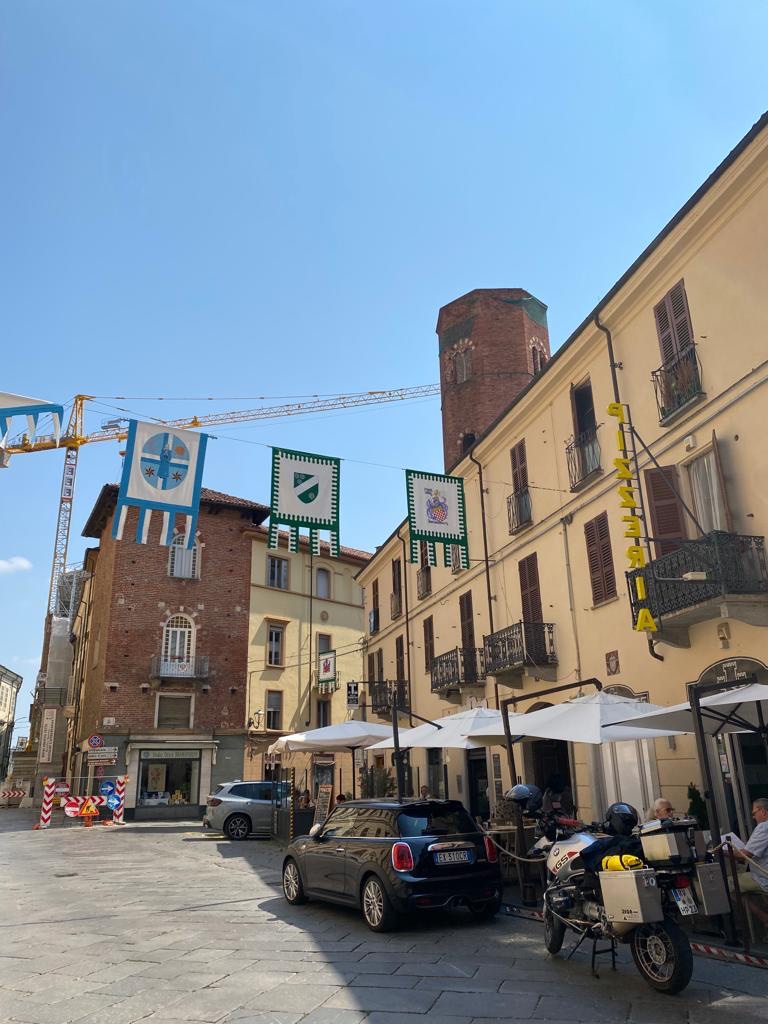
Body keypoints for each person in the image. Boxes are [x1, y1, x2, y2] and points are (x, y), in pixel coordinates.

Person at [727, 798, 768, 924]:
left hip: (764, 878)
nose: (753, 817)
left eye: (754, 813)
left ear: (763, 811)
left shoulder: (763, 827)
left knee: (729, 884)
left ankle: (764, 918)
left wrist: (722, 851)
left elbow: (744, 855)